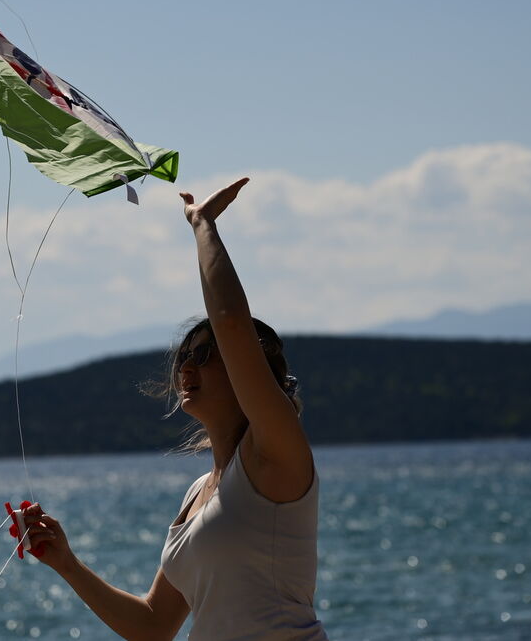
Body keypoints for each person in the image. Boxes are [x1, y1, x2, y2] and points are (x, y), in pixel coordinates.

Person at [21, 177, 328, 640]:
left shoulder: (275, 453)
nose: (187, 365)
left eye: (205, 354)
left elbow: (229, 321)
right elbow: (153, 625)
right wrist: (66, 562)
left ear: (251, 371)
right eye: (184, 355)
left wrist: (203, 225)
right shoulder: (197, 492)